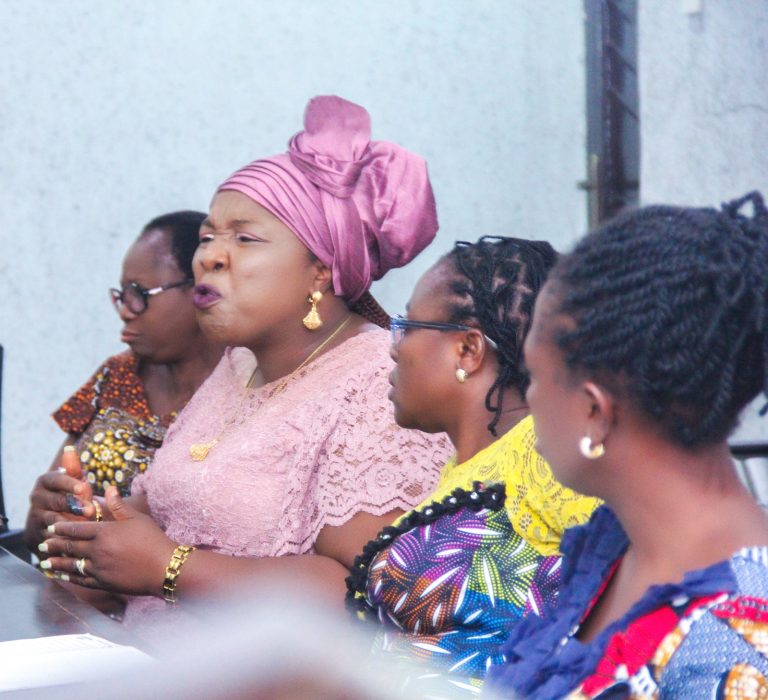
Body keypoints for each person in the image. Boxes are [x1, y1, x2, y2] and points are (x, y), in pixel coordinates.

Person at [39, 95, 450, 628]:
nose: (210, 256)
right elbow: (171, 516)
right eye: (208, 237)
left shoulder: (378, 382)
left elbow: (366, 591)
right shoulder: (239, 366)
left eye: (245, 238)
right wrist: (93, 522)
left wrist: (168, 569)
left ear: (321, 269)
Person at [485, 192, 768, 698]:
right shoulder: (614, 543)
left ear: (594, 411)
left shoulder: (737, 642)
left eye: (533, 376)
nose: (529, 400)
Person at [346, 236, 600, 686]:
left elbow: (629, 571)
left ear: (468, 349)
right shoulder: (471, 470)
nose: (392, 347)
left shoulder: (542, 451)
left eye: (407, 326)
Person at [25, 211, 223, 552]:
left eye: (139, 292)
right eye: (122, 294)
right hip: (67, 579)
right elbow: (35, 531)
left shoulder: (246, 392)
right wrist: (49, 508)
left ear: (202, 288)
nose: (125, 310)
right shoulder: (118, 374)